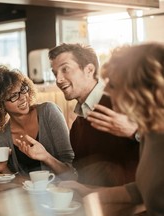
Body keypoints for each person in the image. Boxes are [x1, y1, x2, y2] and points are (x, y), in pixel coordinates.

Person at [60, 43, 164, 216]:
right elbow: (142, 188)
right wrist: (93, 193)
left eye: (114, 85)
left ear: (143, 89)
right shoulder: (152, 134)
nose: (107, 91)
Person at [48, 43, 140, 186]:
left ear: (89, 70)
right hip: (96, 202)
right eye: (55, 73)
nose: (58, 80)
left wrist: (134, 132)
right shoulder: (77, 126)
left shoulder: (122, 100)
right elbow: (82, 176)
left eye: (65, 69)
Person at [0, 65, 75, 179]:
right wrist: (3, 169)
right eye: (13, 96)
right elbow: (17, 186)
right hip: (26, 195)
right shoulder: (1, 137)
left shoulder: (48, 112)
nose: (23, 97)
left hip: (60, 193)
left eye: (23, 89)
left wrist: (46, 157)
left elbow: (72, 173)